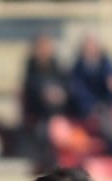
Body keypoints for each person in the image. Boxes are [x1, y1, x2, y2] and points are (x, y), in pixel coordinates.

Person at [19, 32, 71, 171]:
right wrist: (44, 93)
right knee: (44, 133)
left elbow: (67, 86)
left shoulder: (57, 66)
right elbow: (31, 89)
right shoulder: (31, 68)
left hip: (57, 115)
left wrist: (60, 94)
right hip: (39, 117)